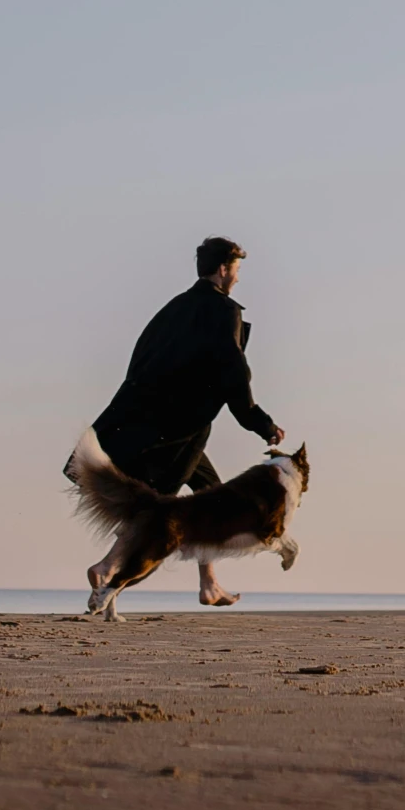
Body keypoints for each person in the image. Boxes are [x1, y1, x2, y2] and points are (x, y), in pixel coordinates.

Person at [75, 236, 284, 608]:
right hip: (178, 432)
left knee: (210, 494)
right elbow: (235, 374)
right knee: (164, 514)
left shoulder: (174, 308)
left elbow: (139, 362)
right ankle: (108, 568)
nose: (237, 278)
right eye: (236, 270)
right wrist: (262, 424)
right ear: (223, 269)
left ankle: (209, 584)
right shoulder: (222, 312)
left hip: (151, 423)